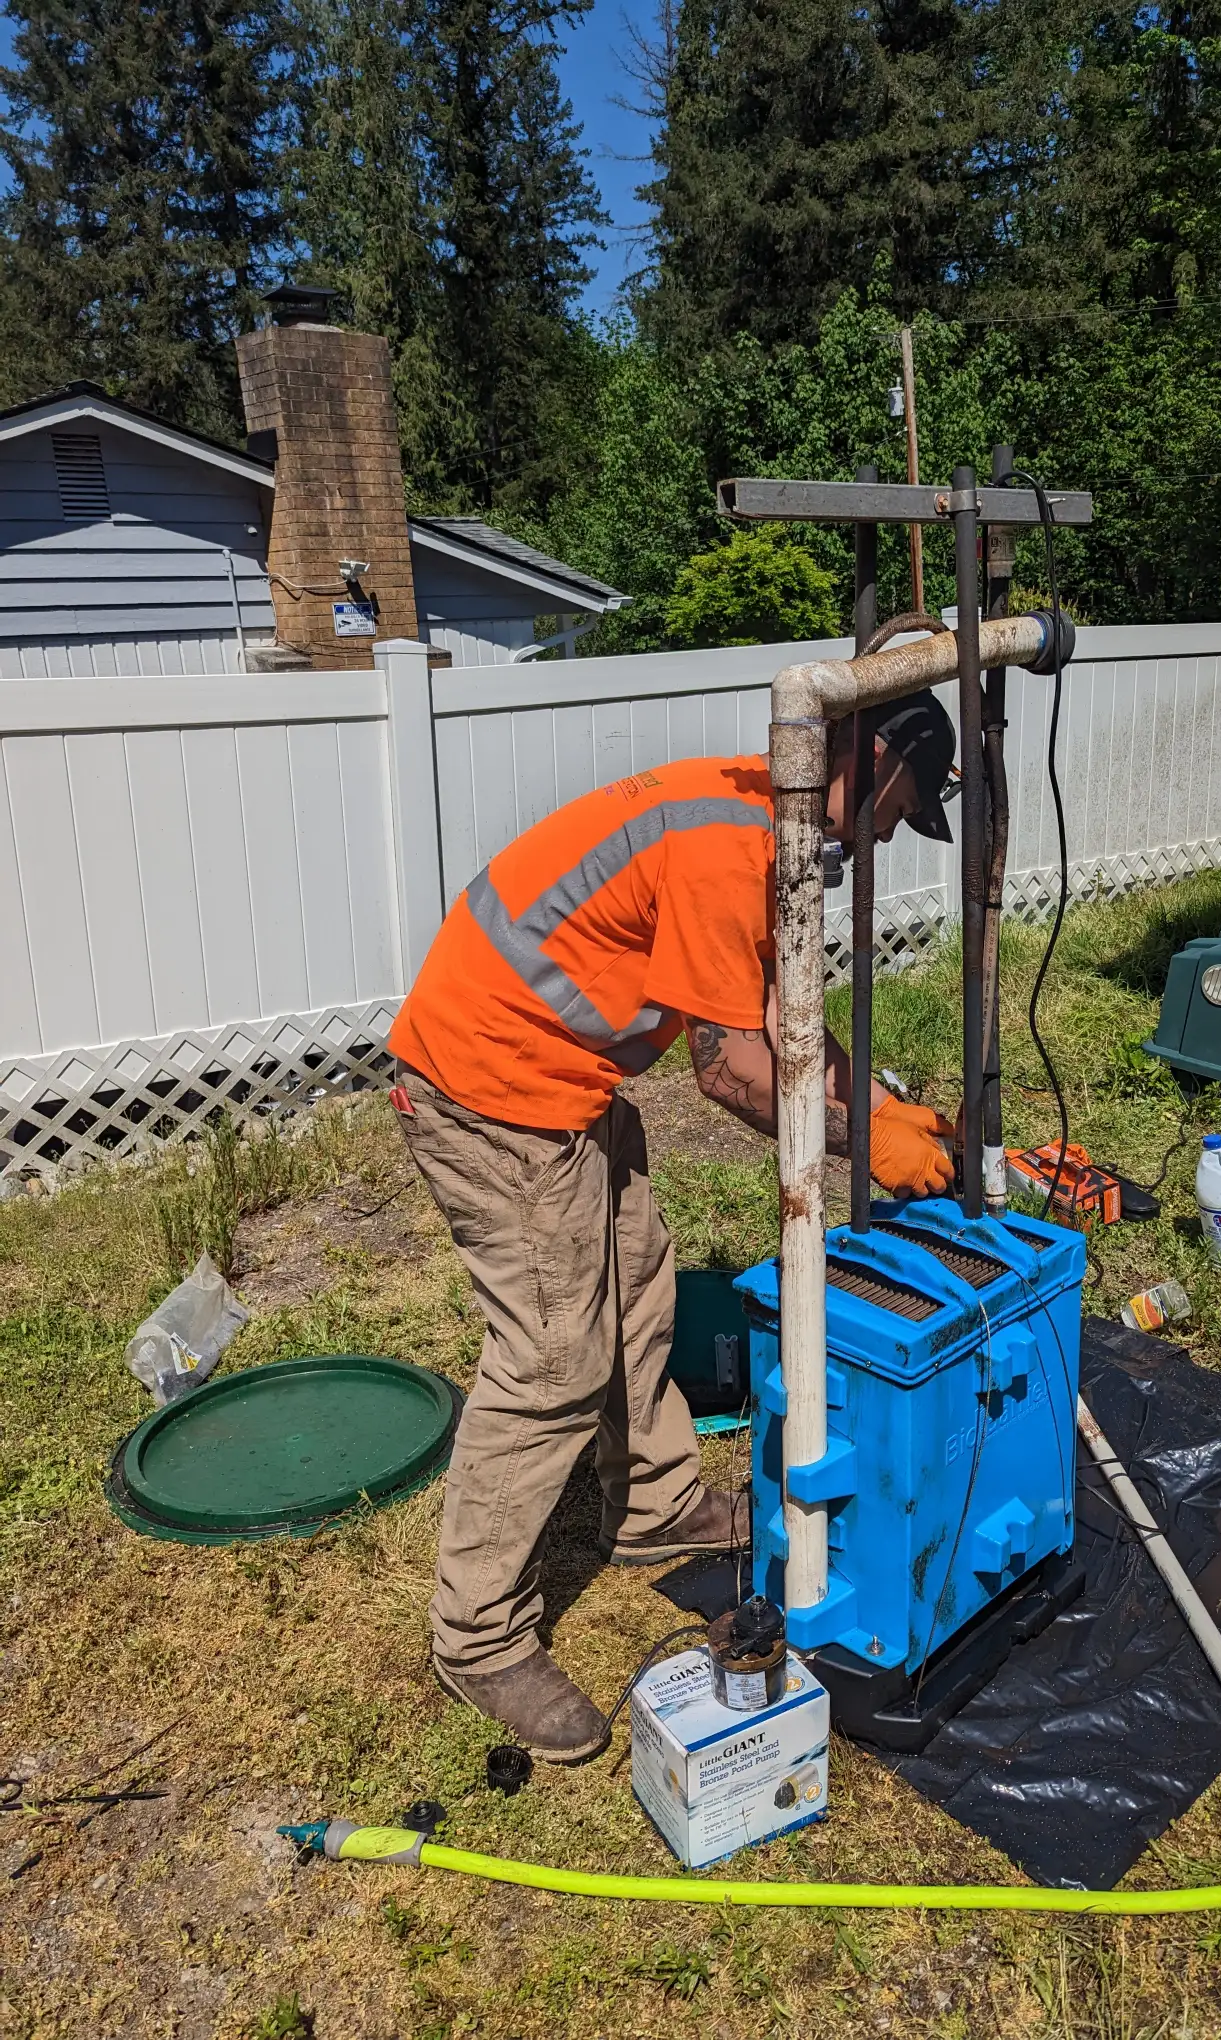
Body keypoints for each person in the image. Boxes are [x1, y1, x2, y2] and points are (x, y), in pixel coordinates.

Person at [387, 690, 958, 1762]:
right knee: (554, 1356)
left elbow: (782, 1024)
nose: (885, 834)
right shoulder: (727, 853)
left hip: (564, 1074)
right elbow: (732, 1073)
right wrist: (858, 1145)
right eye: (897, 809)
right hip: (491, 1083)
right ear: (874, 763)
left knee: (639, 1277)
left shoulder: (760, 823)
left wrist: (884, 1108)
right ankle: (476, 1635)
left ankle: (651, 1501)